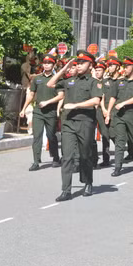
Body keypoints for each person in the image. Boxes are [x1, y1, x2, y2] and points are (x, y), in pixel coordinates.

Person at [46, 51, 101, 202]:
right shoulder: (70, 80)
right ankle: (66, 190)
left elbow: (96, 101)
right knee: (67, 157)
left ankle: (88, 182)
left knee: (85, 156)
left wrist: (76, 105)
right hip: (69, 123)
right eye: (78, 63)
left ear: (90, 65)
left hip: (85, 122)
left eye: (83, 63)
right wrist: (64, 69)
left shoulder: (93, 82)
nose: (79, 65)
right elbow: (50, 84)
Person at [20, 53, 63, 171]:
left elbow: (61, 96)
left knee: (51, 136)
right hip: (38, 111)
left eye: (49, 63)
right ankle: (36, 161)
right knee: (37, 136)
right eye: (45, 63)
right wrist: (23, 108)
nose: (47, 65)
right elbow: (31, 95)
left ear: (53, 65)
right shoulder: (37, 78)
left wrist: (48, 102)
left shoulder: (57, 79)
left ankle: (55, 157)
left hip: (51, 112)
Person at [106, 57, 133, 176]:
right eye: (124, 67)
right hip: (119, 115)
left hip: (132, 114)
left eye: (127, 67)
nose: (125, 69)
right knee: (120, 140)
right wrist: (108, 112)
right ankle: (118, 167)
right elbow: (113, 97)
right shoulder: (119, 82)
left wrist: (124, 103)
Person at [92, 61, 111, 167]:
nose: (97, 72)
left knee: (105, 134)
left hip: (102, 110)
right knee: (91, 135)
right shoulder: (92, 82)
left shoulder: (107, 82)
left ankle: (106, 158)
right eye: (96, 70)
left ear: (104, 71)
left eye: (99, 70)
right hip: (92, 110)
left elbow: (103, 96)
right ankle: (94, 159)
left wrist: (105, 109)